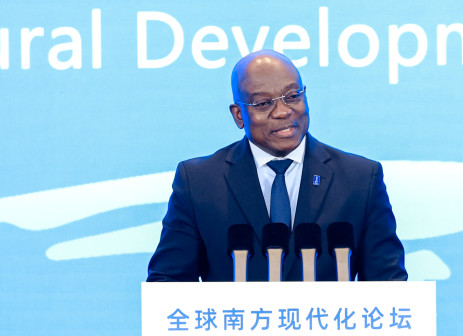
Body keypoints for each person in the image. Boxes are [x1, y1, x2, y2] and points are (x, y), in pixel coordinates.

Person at [146, 50, 407, 282]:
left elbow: (389, 286)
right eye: (263, 103)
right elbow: (167, 283)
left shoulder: (360, 179)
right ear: (238, 115)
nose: (283, 111)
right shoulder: (199, 182)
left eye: (292, 96)